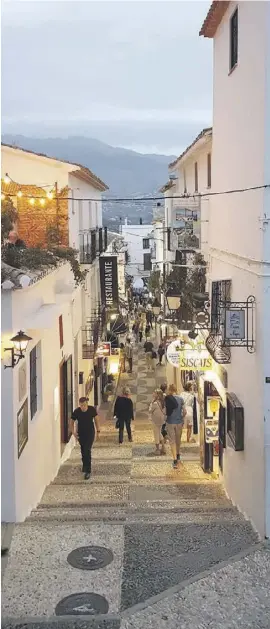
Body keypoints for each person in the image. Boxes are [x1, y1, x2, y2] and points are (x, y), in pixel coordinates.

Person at [71, 397, 100, 480]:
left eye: (83, 405)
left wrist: (98, 431)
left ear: (87, 403)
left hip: (90, 433)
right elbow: (71, 421)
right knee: (83, 450)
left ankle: (88, 470)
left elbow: (96, 419)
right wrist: (73, 433)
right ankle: (84, 465)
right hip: (81, 434)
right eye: (81, 405)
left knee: (87, 450)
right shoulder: (77, 411)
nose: (82, 407)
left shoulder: (91, 409)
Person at [165, 384, 186, 469]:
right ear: (176, 390)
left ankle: (174, 460)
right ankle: (178, 455)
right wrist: (181, 418)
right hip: (179, 422)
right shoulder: (181, 399)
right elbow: (184, 411)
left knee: (172, 441)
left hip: (170, 422)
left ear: (169, 390)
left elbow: (165, 410)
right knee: (178, 440)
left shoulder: (167, 399)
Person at [149, 389, 166, 454]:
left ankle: (158, 449)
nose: (153, 393)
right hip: (161, 420)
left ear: (157, 395)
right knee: (159, 433)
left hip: (155, 420)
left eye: (154, 392)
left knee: (156, 434)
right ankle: (163, 448)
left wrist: (151, 403)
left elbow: (150, 411)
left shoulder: (155, 403)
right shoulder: (162, 402)